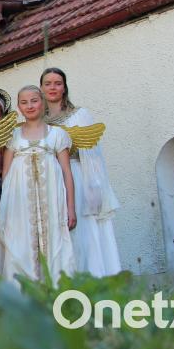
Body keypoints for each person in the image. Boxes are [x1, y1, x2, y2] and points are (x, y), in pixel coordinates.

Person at [41, 67, 121, 277]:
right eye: (48, 83)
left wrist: (94, 186)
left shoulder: (79, 115)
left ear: (64, 88)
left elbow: (92, 155)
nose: (52, 87)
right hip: (51, 180)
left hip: (78, 176)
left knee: (86, 230)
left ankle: (93, 278)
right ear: (41, 88)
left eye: (57, 83)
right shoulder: (39, 122)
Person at [0, 85, 76, 283]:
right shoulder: (12, 136)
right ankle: (24, 293)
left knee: (54, 239)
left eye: (34, 100)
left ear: (42, 102)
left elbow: (67, 172)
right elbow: (6, 174)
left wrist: (71, 208)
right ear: (18, 107)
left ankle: (55, 291)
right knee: (20, 241)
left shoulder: (57, 134)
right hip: (19, 202)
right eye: (24, 102)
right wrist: (5, 211)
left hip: (51, 199)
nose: (29, 106)